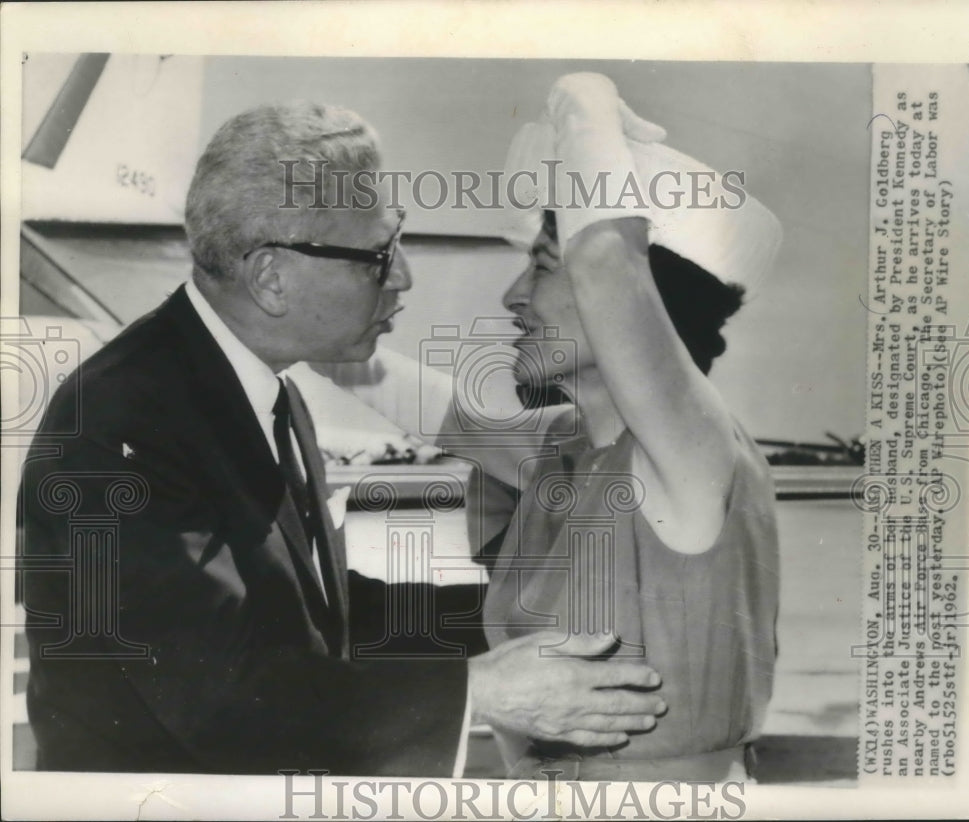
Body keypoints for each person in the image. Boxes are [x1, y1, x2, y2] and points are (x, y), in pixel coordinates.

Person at [16, 100, 667, 775]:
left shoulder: (261, 393)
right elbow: (222, 697)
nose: (405, 276)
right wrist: (484, 691)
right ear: (271, 277)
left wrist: (519, 604)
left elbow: (311, 606)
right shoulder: (122, 423)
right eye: (379, 255)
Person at [478, 73, 784, 781]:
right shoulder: (574, 453)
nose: (512, 297)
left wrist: (583, 97)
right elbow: (418, 401)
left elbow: (605, 258)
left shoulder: (689, 449)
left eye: (541, 265)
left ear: (644, 295)